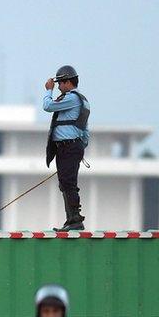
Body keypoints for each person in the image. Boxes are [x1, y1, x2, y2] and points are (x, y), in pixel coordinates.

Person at [43, 65, 90, 232]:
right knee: (66, 183)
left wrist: (48, 91)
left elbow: (48, 106)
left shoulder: (71, 98)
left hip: (69, 147)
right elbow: (85, 130)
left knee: (68, 183)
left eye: (60, 83)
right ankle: (71, 220)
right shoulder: (81, 100)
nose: (58, 87)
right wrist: (80, 147)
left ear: (68, 82)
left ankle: (75, 220)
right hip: (69, 147)